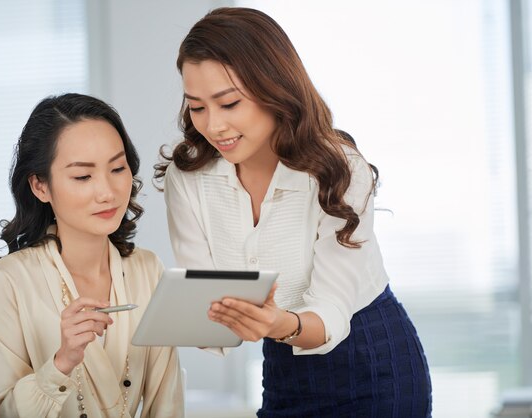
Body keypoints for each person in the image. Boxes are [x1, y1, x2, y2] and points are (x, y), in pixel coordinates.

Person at [154, 7, 432, 418]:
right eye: (197, 107)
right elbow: (207, 312)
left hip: (371, 360)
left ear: (273, 89)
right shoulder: (189, 177)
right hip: (284, 366)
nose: (213, 126)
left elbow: (332, 311)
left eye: (229, 103)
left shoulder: (338, 169)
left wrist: (275, 323)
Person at [0, 93, 184, 418]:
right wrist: (62, 363)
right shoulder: (10, 281)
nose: (107, 192)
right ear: (40, 186)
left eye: (117, 168)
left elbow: (167, 402)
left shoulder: (148, 269)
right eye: (83, 176)